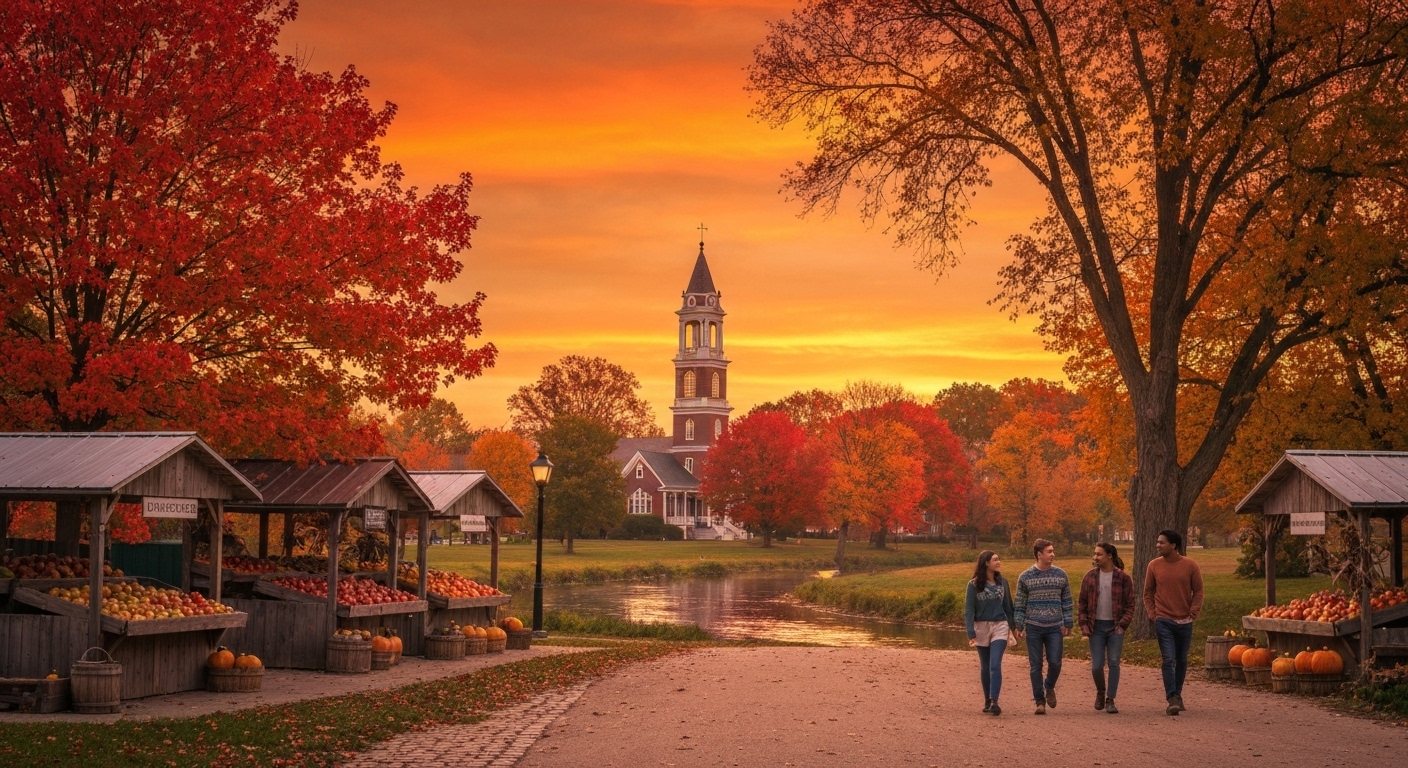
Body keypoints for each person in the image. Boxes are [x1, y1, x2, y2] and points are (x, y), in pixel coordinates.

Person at [1144, 529, 1204, 716]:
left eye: (1161, 542)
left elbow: (1198, 591)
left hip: (1185, 621)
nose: (1158, 545)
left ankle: (1178, 694)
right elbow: (1148, 592)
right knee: (1168, 659)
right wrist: (1153, 614)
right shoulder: (1154, 565)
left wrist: (1193, 611)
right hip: (1164, 619)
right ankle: (1171, 698)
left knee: (1181, 660)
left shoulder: (1190, 565)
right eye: (1158, 542)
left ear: (1173, 545)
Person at [1014, 538, 1072, 715]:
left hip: (1055, 626)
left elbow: (1067, 601)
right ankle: (1039, 701)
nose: (1053, 554)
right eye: (1049, 551)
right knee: (1035, 665)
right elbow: (1020, 604)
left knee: (1055, 662)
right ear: (1039, 554)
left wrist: (1068, 622)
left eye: (1053, 551)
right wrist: (1018, 625)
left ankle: (1049, 686)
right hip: (1033, 627)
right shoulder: (1025, 577)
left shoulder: (1060, 575)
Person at [1078, 542, 1134, 714]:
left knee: (1114, 662)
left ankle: (1110, 698)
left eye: (1099, 554)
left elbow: (1130, 604)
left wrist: (1122, 625)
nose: (1095, 557)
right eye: (1094, 554)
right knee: (1097, 665)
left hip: (1115, 627)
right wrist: (1084, 624)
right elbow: (1082, 603)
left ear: (1109, 556)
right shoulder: (1090, 577)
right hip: (1096, 627)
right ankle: (1101, 691)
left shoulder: (1123, 578)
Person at [964, 550, 1015, 716]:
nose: (999, 562)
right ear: (986, 563)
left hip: (1000, 625)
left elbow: (1008, 606)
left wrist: (1015, 627)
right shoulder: (973, 585)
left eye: (998, 559)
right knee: (985, 665)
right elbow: (969, 609)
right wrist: (970, 631)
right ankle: (987, 700)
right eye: (995, 560)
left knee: (995, 664)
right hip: (981, 626)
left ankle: (994, 701)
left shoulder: (1003, 583)